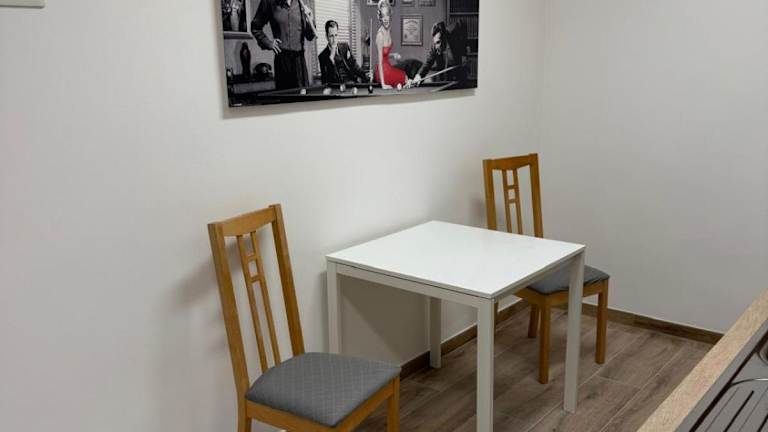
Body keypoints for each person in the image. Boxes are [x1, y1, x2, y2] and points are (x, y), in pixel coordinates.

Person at [251, 0, 317, 90]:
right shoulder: (269, 2)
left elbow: (310, 36)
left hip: (299, 62)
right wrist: (268, 43)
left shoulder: (301, 3)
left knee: (302, 96)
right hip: (282, 61)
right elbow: (255, 27)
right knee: (285, 96)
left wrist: (310, 19)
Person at [410, 21, 468, 87]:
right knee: (446, 78)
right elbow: (428, 63)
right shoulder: (435, 47)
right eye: (435, 43)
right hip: (448, 65)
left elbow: (462, 23)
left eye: (438, 42)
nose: (436, 46)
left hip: (458, 61)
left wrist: (464, 53)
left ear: (444, 38)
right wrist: (418, 76)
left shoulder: (453, 32)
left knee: (461, 79)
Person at [318, 20, 369, 85]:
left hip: (351, 84)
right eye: (331, 36)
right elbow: (326, 81)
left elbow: (355, 67)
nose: (334, 40)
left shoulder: (345, 47)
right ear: (326, 36)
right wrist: (331, 59)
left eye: (336, 35)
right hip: (337, 88)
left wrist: (366, 76)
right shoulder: (322, 56)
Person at [374, 0, 408, 89]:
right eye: (383, 16)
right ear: (380, 18)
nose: (385, 19)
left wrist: (393, 55)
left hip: (388, 67)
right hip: (382, 72)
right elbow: (380, 61)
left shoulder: (389, 30)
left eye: (387, 15)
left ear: (390, 16)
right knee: (404, 77)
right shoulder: (380, 35)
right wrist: (383, 84)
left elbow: (385, 54)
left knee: (403, 78)